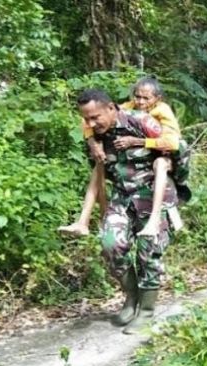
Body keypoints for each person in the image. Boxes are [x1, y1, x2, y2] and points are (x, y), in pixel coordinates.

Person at [76, 89, 177, 335]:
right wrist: (101, 212)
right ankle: (131, 299)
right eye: (86, 119)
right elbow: (99, 174)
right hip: (122, 197)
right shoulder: (96, 136)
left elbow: (174, 151)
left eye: (95, 117)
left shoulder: (141, 121)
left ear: (111, 108)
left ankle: (146, 311)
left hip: (154, 196)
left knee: (148, 253)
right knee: (110, 244)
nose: (90, 123)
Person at [58, 77, 189, 237]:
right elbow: (90, 120)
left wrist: (137, 141)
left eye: (146, 98)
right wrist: (92, 143)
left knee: (161, 164)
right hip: (139, 159)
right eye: (137, 96)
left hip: (169, 152)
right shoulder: (126, 109)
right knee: (99, 165)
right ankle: (82, 221)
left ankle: (155, 219)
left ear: (157, 99)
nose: (140, 102)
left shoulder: (161, 111)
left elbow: (172, 143)